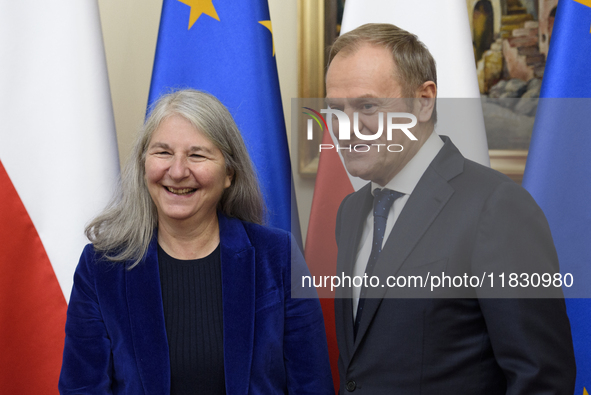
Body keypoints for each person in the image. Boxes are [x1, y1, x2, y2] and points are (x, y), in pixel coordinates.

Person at [326, 23, 576, 394]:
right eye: (335, 110)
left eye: (367, 106)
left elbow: (542, 379)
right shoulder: (351, 211)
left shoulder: (496, 208)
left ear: (424, 101)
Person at [59, 89, 334, 394]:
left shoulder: (277, 256)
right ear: (143, 163)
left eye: (197, 155)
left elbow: (312, 385)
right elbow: (82, 388)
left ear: (229, 172)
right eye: (163, 152)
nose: (177, 171)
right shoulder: (101, 268)